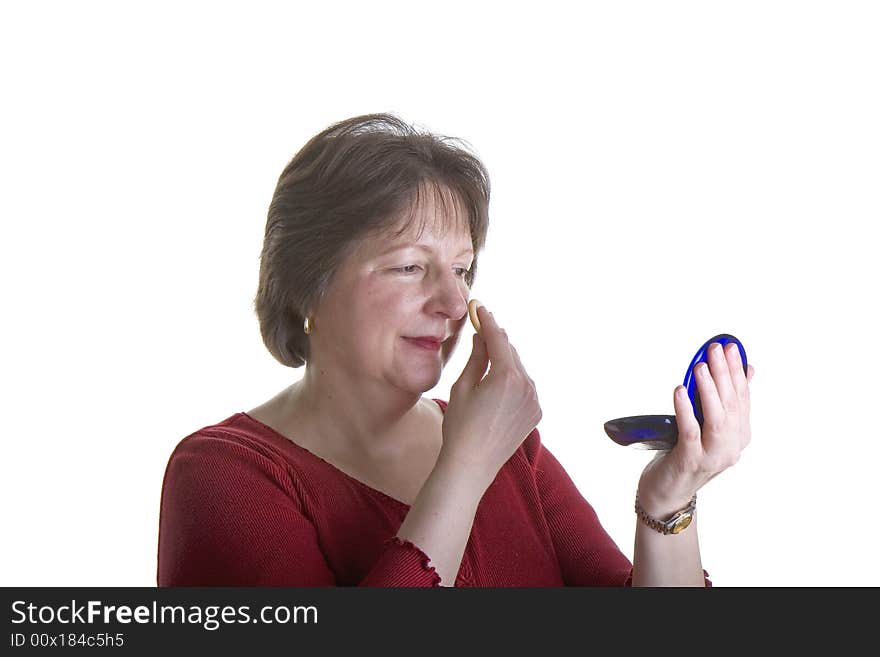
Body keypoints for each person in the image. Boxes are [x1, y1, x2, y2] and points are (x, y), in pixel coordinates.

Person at [156, 113, 755, 587]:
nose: (451, 301)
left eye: (463, 269)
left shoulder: (513, 452)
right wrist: (466, 468)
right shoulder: (224, 475)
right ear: (308, 283)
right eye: (411, 266)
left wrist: (668, 501)